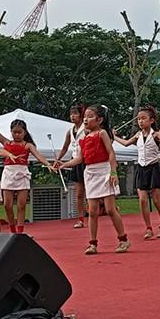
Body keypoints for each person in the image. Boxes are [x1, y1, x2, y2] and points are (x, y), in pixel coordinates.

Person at [56, 105, 130, 255]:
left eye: (90, 116)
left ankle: (123, 239)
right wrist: (63, 164)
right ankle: (93, 243)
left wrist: (113, 172)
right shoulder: (83, 138)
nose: (85, 119)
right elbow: (79, 159)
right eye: (85, 116)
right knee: (92, 211)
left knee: (110, 209)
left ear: (100, 119)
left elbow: (111, 153)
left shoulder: (102, 133)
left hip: (104, 170)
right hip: (90, 173)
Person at [114, 105, 160, 239]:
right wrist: (114, 137)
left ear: (151, 120)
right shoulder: (138, 135)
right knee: (142, 200)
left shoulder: (156, 134)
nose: (140, 121)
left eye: (143, 118)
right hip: (141, 169)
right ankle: (148, 228)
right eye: (139, 119)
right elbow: (126, 143)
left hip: (153, 169)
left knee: (157, 200)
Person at [0, 104, 54, 234]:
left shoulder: (28, 145)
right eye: (14, 132)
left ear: (24, 132)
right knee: (7, 205)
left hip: (22, 174)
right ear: (11, 132)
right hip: (8, 174)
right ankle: (12, 230)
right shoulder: (6, 143)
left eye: (19, 132)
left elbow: (38, 156)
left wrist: (48, 164)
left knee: (21, 205)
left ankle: (20, 231)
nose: (17, 135)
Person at [56, 105, 88, 228]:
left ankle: (95, 215)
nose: (72, 116)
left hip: (87, 161)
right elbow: (65, 147)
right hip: (75, 161)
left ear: (81, 115)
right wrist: (58, 159)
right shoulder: (70, 131)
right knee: (79, 193)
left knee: (91, 192)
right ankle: (80, 219)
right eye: (71, 114)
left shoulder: (86, 128)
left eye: (75, 113)